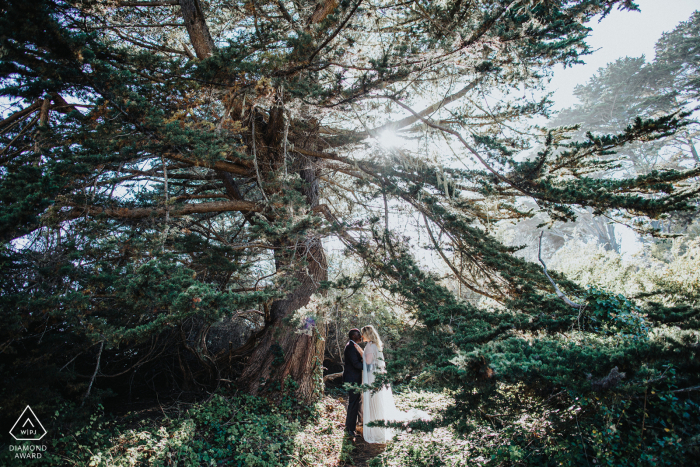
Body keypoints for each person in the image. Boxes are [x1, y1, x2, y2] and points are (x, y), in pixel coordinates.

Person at [353, 325, 431, 444]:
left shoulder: (370, 346)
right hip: (377, 376)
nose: (361, 336)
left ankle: (375, 428)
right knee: (377, 400)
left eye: (362, 334)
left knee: (373, 400)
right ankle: (378, 424)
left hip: (372, 376)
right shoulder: (376, 345)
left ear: (367, 335)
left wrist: (360, 353)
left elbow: (368, 362)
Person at [343, 328, 364, 438]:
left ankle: (352, 428)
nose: (360, 336)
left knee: (355, 403)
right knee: (353, 404)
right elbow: (356, 364)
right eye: (358, 335)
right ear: (353, 337)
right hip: (352, 380)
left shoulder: (353, 345)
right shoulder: (351, 347)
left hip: (354, 379)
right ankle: (350, 430)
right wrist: (369, 366)